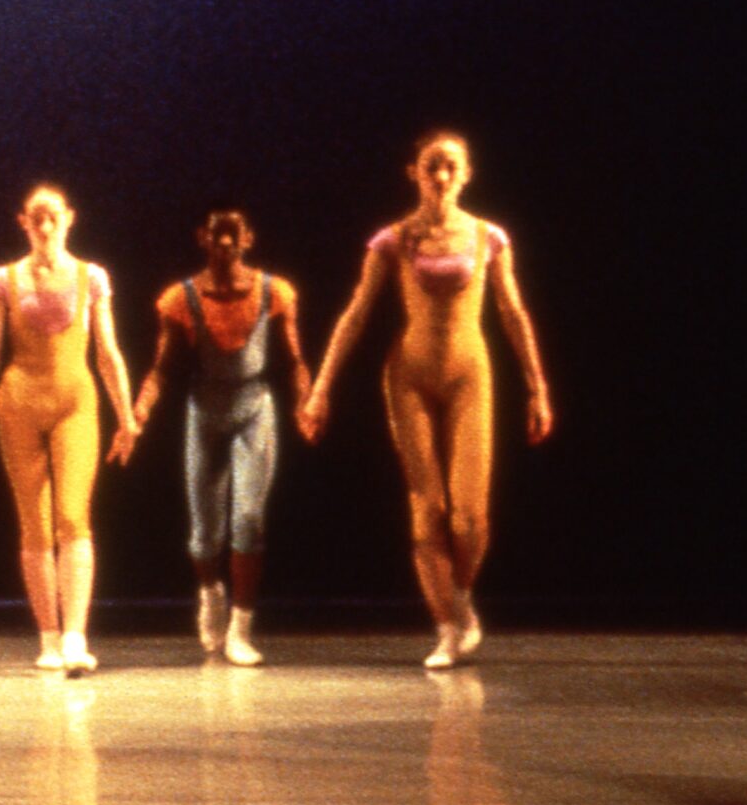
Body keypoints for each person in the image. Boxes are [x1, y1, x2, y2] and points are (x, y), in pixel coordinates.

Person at [298, 132, 552, 668]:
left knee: (469, 519)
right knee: (427, 510)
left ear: (467, 173)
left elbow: (512, 311)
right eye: (431, 166)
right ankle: (444, 627)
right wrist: (321, 389)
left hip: (469, 373)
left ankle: (461, 597)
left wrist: (537, 386)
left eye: (450, 166)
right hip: (408, 374)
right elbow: (356, 314)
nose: (440, 176)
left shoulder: (488, 237)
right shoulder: (393, 240)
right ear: (413, 171)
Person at [0, 186, 138, 675]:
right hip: (19, 404)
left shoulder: (91, 277)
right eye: (37, 218)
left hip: (75, 401)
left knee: (73, 515)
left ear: (70, 219)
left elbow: (108, 353)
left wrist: (127, 417)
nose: (46, 226)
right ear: (23, 223)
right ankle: (49, 639)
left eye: (53, 217)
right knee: (34, 522)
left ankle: (76, 636)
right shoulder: (4, 280)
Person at [132, 209, 310, 666]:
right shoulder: (182, 299)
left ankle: (241, 628)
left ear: (248, 239)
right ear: (203, 240)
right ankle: (211, 592)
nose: (227, 244)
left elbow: (292, 360)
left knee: (249, 518)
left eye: (235, 236)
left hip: (254, 405)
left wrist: (307, 402)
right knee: (205, 533)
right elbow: (163, 367)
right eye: (218, 236)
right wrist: (140, 411)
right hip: (206, 408)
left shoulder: (274, 292)